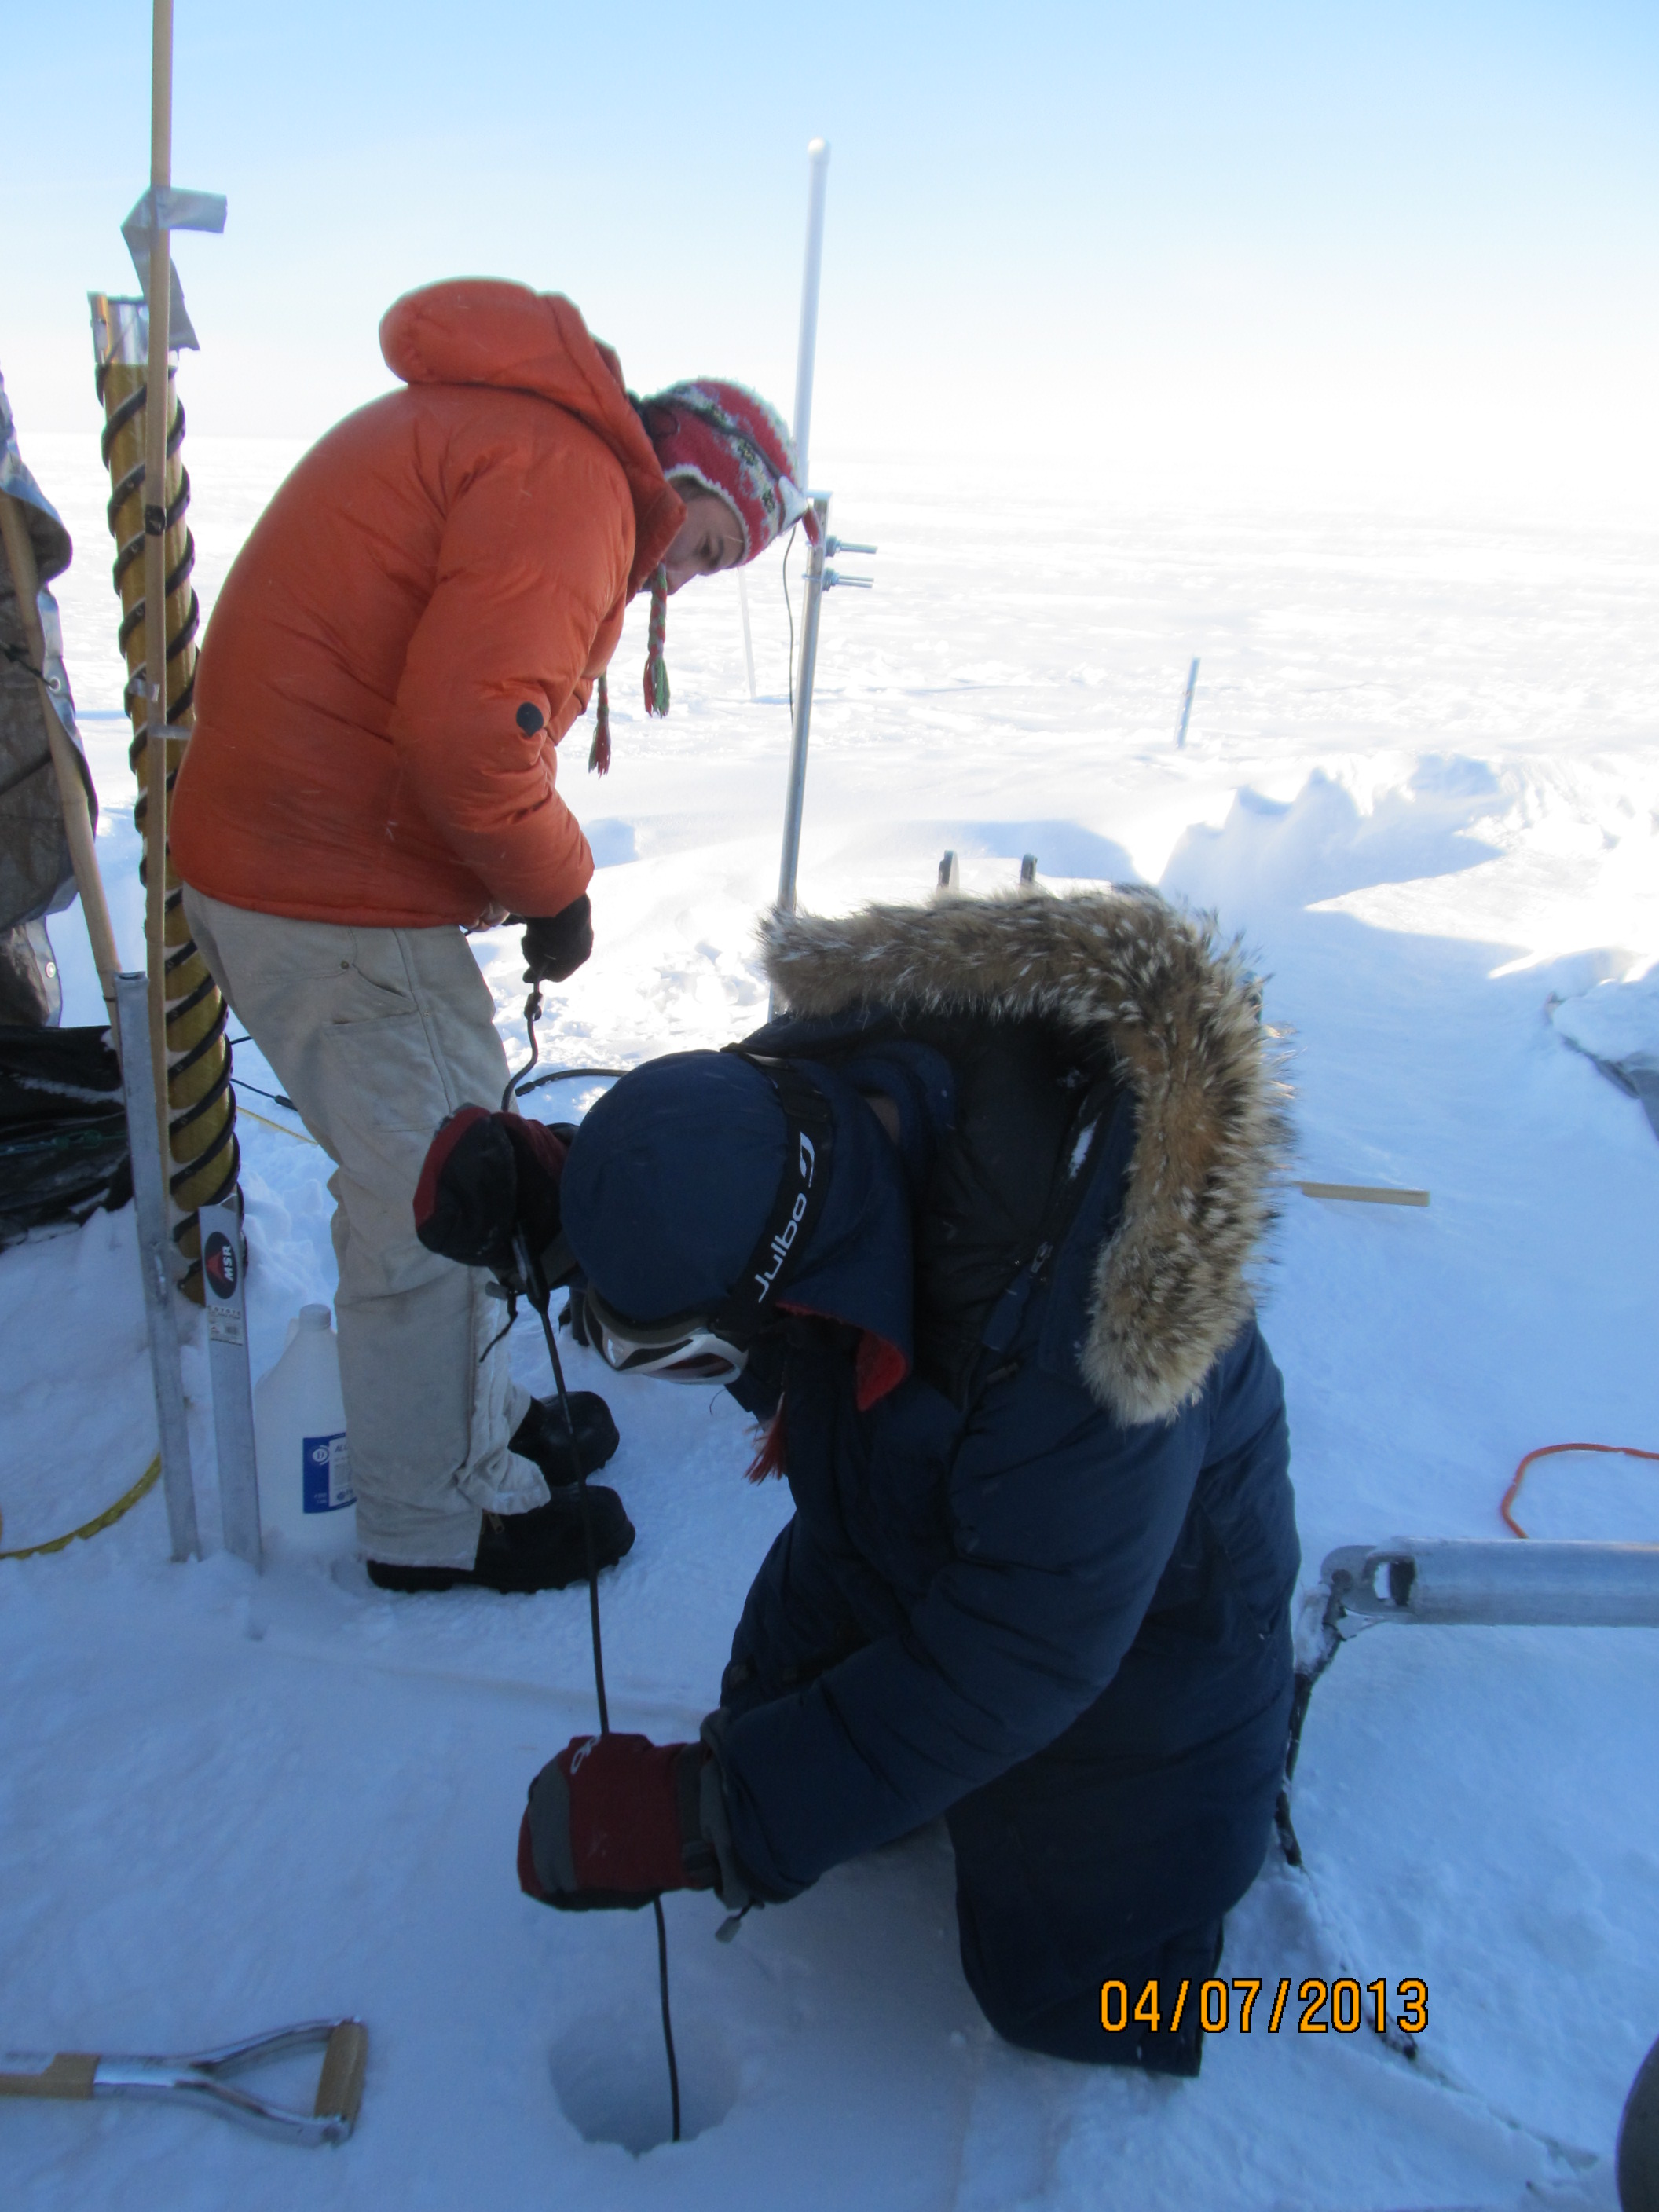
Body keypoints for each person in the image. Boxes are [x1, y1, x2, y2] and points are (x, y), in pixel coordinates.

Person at [415, 884, 1301, 2073]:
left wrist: (714, 1818)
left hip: (1147, 1622)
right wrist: (576, 1197)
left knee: (1072, 1996)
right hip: (902, 1494)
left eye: (683, 1353)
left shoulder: (1077, 1334)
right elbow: (730, 1174)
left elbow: (1019, 1648)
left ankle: (1316, 2010)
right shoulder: (835, 1092)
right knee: (775, 1729)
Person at [168, 277, 812, 1592]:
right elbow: (472, 740)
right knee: (433, 1203)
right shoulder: (570, 479)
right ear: (680, 470)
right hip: (327, 883)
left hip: (316, 861)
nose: (677, 572)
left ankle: (462, 1420)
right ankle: (432, 1515)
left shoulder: (524, 441)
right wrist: (558, 883)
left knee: (466, 1151)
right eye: (699, 544)